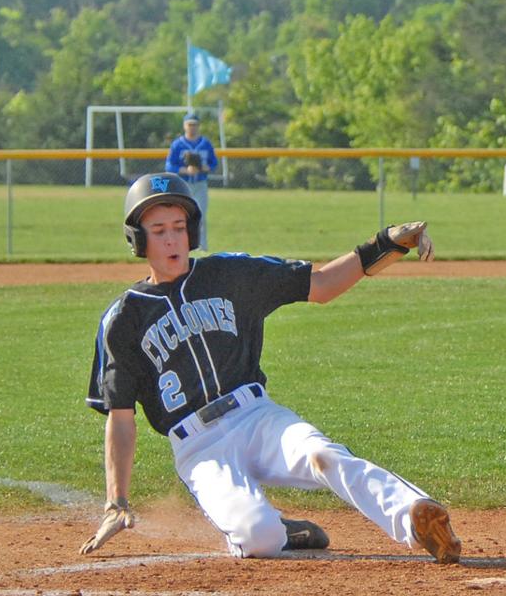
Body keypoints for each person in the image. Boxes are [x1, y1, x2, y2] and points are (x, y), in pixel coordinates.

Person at [80, 172, 461, 563]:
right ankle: (281, 532)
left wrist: (388, 243)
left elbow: (322, 284)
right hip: (199, 447)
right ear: (138, 239)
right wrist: (116, 501)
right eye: (158, 230)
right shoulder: (123, 319)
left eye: (179, 227)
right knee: (257, 537)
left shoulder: (231, 275)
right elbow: (121, 418)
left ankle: (415, 516)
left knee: (322, 455)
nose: (172, 239)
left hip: (256, 417)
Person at [165, 111, 218, 250]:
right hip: (183, 184)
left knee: (201, 216)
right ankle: (183, 247)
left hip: (200, 184)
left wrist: (207, 167)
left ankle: (202, 248)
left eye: (195, 125)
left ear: (199, 126)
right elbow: (169, 165)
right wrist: (185, 170)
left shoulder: (205, 143)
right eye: (189, 124)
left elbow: (214, 163)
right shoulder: (178, 144)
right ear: (184, 126)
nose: (192, 127)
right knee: (181, 217)